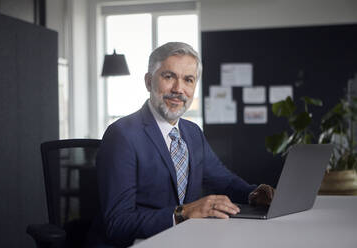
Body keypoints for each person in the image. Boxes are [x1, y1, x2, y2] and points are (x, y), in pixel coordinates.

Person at [88, 42, 274, 248]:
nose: (179, 89)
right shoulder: (122, 135)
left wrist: (254, 194)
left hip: (181, 240)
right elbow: (118, 223)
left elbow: (226, 182)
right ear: (149, 82)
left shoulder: (192, 133)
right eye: (169, 77)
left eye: (188, 80)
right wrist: (183, 213)